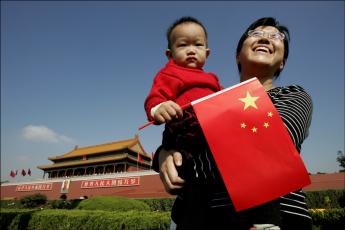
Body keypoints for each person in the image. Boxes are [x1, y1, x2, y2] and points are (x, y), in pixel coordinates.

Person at [152, 17, 313, 230]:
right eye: (255, 34)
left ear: (282, 61)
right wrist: (164, 154)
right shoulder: (210, 102)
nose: (264, 38)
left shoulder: (292, 95)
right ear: (238, 56)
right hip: (198, 216)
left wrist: (185, 162)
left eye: (276, 36)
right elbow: (183, 133)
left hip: (276, 217)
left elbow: (271, 143)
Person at [144, 17, 223, 182]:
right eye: (183, 45)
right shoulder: (170, 73)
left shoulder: (213, 79)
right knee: (186, 175)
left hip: (212, 135)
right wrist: (158, 108)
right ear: (169, 54)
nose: (191, 50)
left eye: (198, 44)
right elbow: (155, 96)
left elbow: (225, 98)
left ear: (207, 53)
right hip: (183, 135)